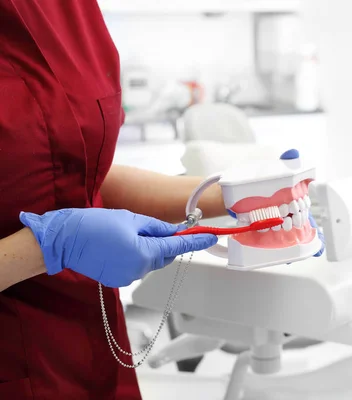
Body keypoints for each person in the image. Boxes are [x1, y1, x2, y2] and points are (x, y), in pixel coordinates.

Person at [0, 1, 226, 398]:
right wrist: (52, 245)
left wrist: (224, 195)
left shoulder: (70, 10)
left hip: (90, 353)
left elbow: (74, 171)